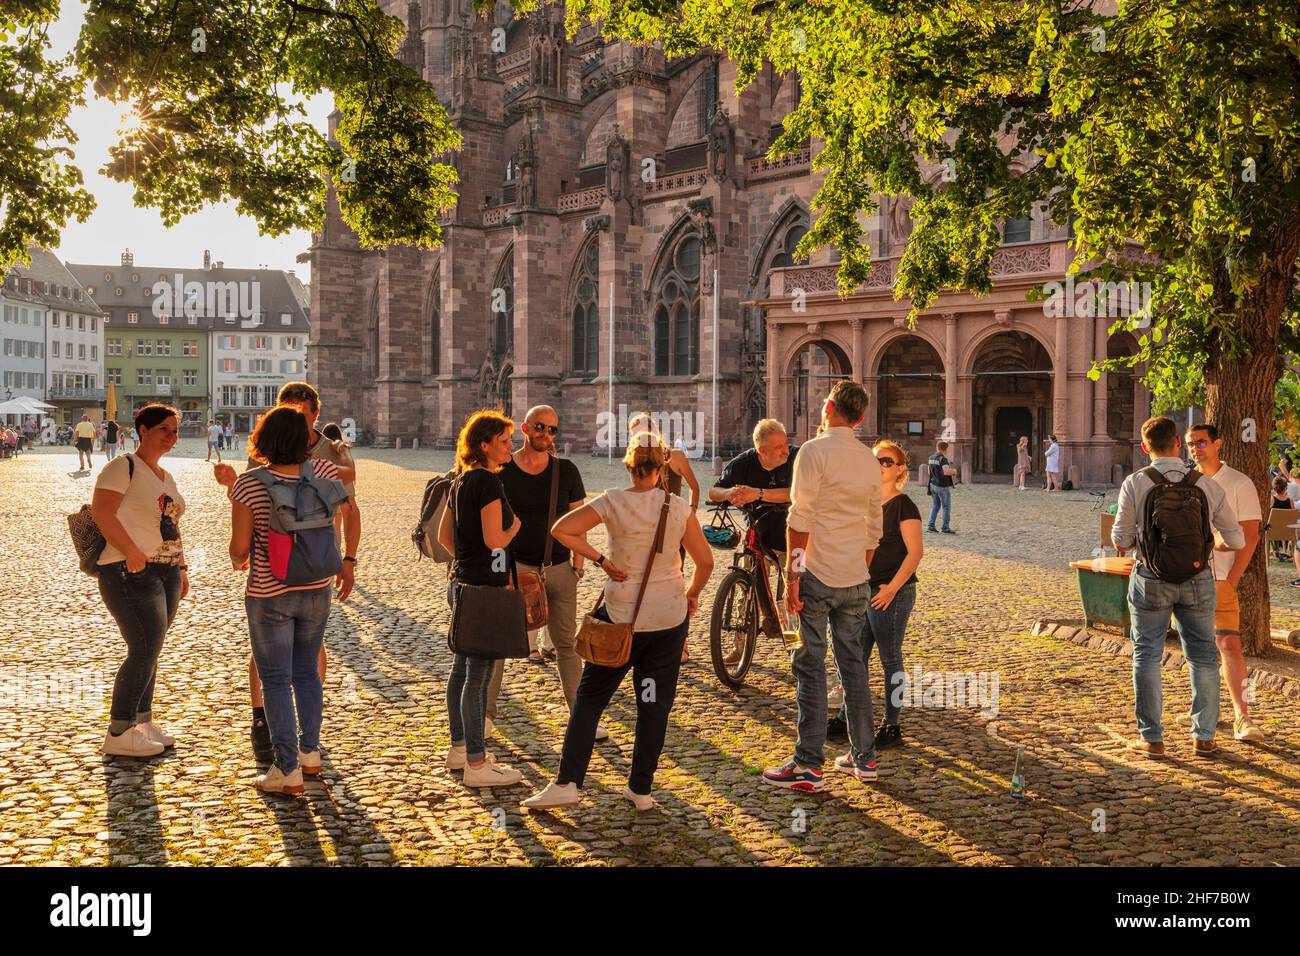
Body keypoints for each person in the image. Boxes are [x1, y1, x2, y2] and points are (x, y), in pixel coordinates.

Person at [521, 433, 712, 811]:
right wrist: (690, 595)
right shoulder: (678, 508)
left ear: (628, 466)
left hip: (621, 616)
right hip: (668, 620)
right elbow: (705, 562)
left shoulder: (613, 500)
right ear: (660, 471)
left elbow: (561, 530)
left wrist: (600, 561)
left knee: (590, 700)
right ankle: (640, 789)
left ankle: (567, 783)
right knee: (653, 704)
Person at [216, 381, 359, 763]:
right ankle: (310, 753)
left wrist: (239, 558)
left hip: (270, 590)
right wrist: (349, 560)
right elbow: (349, 502)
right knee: (308, 673)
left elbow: (239, 550)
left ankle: (286, 766)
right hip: (317, 585)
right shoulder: (326, 469)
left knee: (276, 678)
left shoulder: (250, 483)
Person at [762, 380, 883, 789]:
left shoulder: (812, 452)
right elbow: (874, 528)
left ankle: (807, 764)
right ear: (861, 417)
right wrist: (858, 567)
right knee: (854, 668)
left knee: (809, 667)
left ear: (827, 406)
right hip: (855, 580)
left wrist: (793, 577)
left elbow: (799, 521)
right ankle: (864, 758)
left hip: (813, 577)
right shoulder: (869, 459)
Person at [1111, 416, 1243, 758]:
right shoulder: (1206, 484)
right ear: (1175, 443)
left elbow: (1122, 539)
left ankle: (1152, 739)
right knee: (1202, 656)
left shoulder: (1135, 482)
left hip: (1150, 578)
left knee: (1147, 655)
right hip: (1198, 579)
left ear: (1145, 447)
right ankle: (1204, 737)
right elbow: (1236, 538)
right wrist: (1205, 544)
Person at [487, 405, 597, 736]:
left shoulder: (567, 471)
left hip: (560, 566)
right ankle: (486, 716)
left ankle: (579, 717)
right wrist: (499, 571)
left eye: (552, 430)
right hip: (515, 568)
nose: (546, 435)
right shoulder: (502, 471)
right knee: (499, 644)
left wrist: (578, 566)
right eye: (540, 427)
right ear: (524, 428)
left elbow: (580, 520)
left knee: (566, 643)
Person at [91, 404, 189, 758]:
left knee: (153, 649)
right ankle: (119, 730)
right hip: (128, 568)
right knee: (143, 648)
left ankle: (142, 722)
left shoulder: (165, 476)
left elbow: (171, 523)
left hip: (165, 570)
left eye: (175, 431)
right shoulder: (122, 467)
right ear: (142, 430)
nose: (171, 437)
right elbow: (101, 511)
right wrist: (131, 551)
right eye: (164, 429)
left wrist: (181, 565)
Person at [436, 409, 527, 787]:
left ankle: (459, 748)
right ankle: (477, 763)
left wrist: (468, 558)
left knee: (461, 671)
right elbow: (495, 540)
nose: (510, 447)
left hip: (461, 583)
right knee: (479, 677)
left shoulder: (460, 481)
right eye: (504, 441)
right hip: (485, 589)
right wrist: (514, 527)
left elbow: (444, 538)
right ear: (484, 445)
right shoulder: (488, 484)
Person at [1186, 424, 1265, 742]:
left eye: (1201, 442)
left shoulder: (1238, 483)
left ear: (1218, 443)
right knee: (1196, 649)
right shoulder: (1186, 481)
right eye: (1191, 443)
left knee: (1230, 646)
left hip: (1220, 579)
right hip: (1187, 578)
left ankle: (1242, 716)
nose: (1195, 448)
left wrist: (1233, 579)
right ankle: (1204, 709)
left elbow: (1251, 535)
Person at [709, 418, 797, 660]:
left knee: (793, 595)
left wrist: (757, 493)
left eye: (786, 443)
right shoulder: (744, 462)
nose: (785, 450)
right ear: (762, 451)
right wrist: (730, 493)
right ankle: (740, 644)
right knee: (744, 588)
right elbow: (714, 491)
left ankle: (795, 650)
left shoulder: (797, 459)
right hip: (757, 533)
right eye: (779, 446)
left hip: (792, 537)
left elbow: (798, 493)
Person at [628, 411, 700, 662]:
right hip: (642, 531)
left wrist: (688, 517)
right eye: (634, 434)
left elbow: (694, 486)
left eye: (642, 432)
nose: (639, 437)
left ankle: (681, 642)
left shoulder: (674, 456)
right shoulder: (634, 458)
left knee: (674, 585)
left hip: (671, 530)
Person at [925, 440, 957, 533]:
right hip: (942, 486)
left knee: (935, 505)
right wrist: (954, 471)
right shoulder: (943, 459)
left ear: (937, 448)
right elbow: (946, 472)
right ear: (946, 449)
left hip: (932, 485)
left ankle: (931, 526)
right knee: (946, 507)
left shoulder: (931, 458)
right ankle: (945, 527)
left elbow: (928, 472)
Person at [1269, 476, 1293, 564]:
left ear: (1274, 488)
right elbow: (1292, 517)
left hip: (1273, 532)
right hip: (1288, 531)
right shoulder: (1290, 500)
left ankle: (1276, 551)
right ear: (1285, 488)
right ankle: (1287, 550)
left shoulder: (1272, 500)